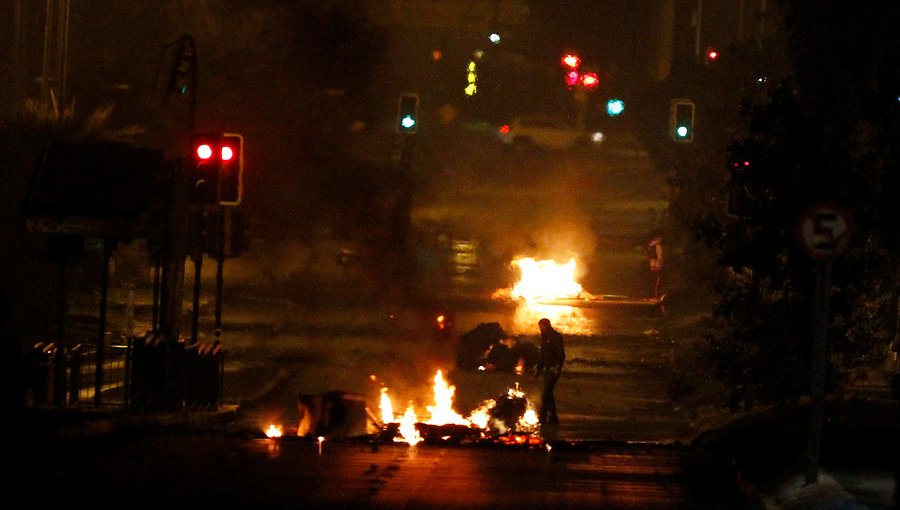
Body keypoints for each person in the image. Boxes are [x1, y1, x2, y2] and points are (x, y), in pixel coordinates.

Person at [535, 318, 565, 425]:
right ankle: (553, 417)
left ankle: (543, 416)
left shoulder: (555, 337)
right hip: (547, 369)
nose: (540, 329)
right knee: (549, 393)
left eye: (541, 327)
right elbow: (542, 354)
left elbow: (560, 353)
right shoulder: (544, 337)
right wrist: (539, 369)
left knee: (545, 393)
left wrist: (558, 367)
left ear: (545, 325)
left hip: (553, 369)